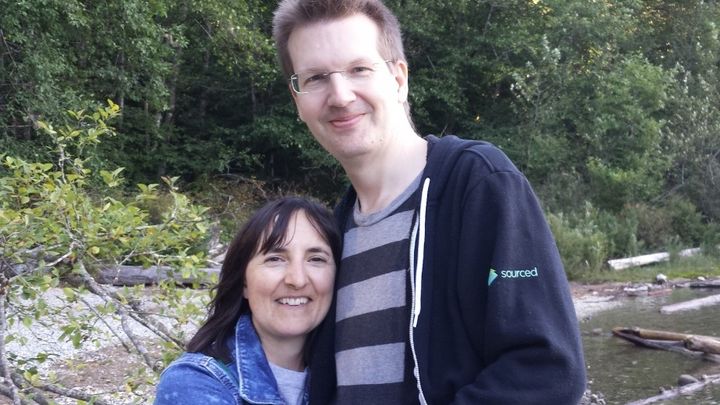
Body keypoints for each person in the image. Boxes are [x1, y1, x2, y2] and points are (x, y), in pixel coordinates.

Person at [272, 1, 586, 404]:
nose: (340, 95)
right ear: (297, 99)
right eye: (316, 77)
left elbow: (548, 370)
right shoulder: (333, 234)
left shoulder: (478, 184)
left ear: (398, 79)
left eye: (359, 69)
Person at [154, 197, 341, 405]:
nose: (297, 280)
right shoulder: (193, 383)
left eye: (316, 259)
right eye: (275, 259)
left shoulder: (352, 375)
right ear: (244, 282)